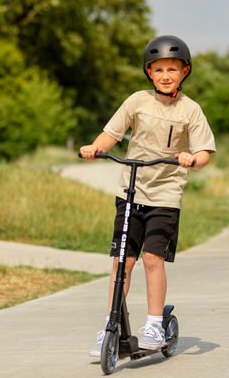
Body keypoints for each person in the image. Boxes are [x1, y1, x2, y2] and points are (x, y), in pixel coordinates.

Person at [80, 35, 216, 357]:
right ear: (149, 72)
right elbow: (111, 133)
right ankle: (111, 325)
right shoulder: (137, 102)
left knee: (153, 260)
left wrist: (192, 159)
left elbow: (204, 151)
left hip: (165, 196)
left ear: (184, 71)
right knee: (121, 263)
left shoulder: (190, 111)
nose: (165, 75)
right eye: (158, 69)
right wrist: (95, 148)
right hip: (130, 191)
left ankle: (155, 323)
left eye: (172, 68)